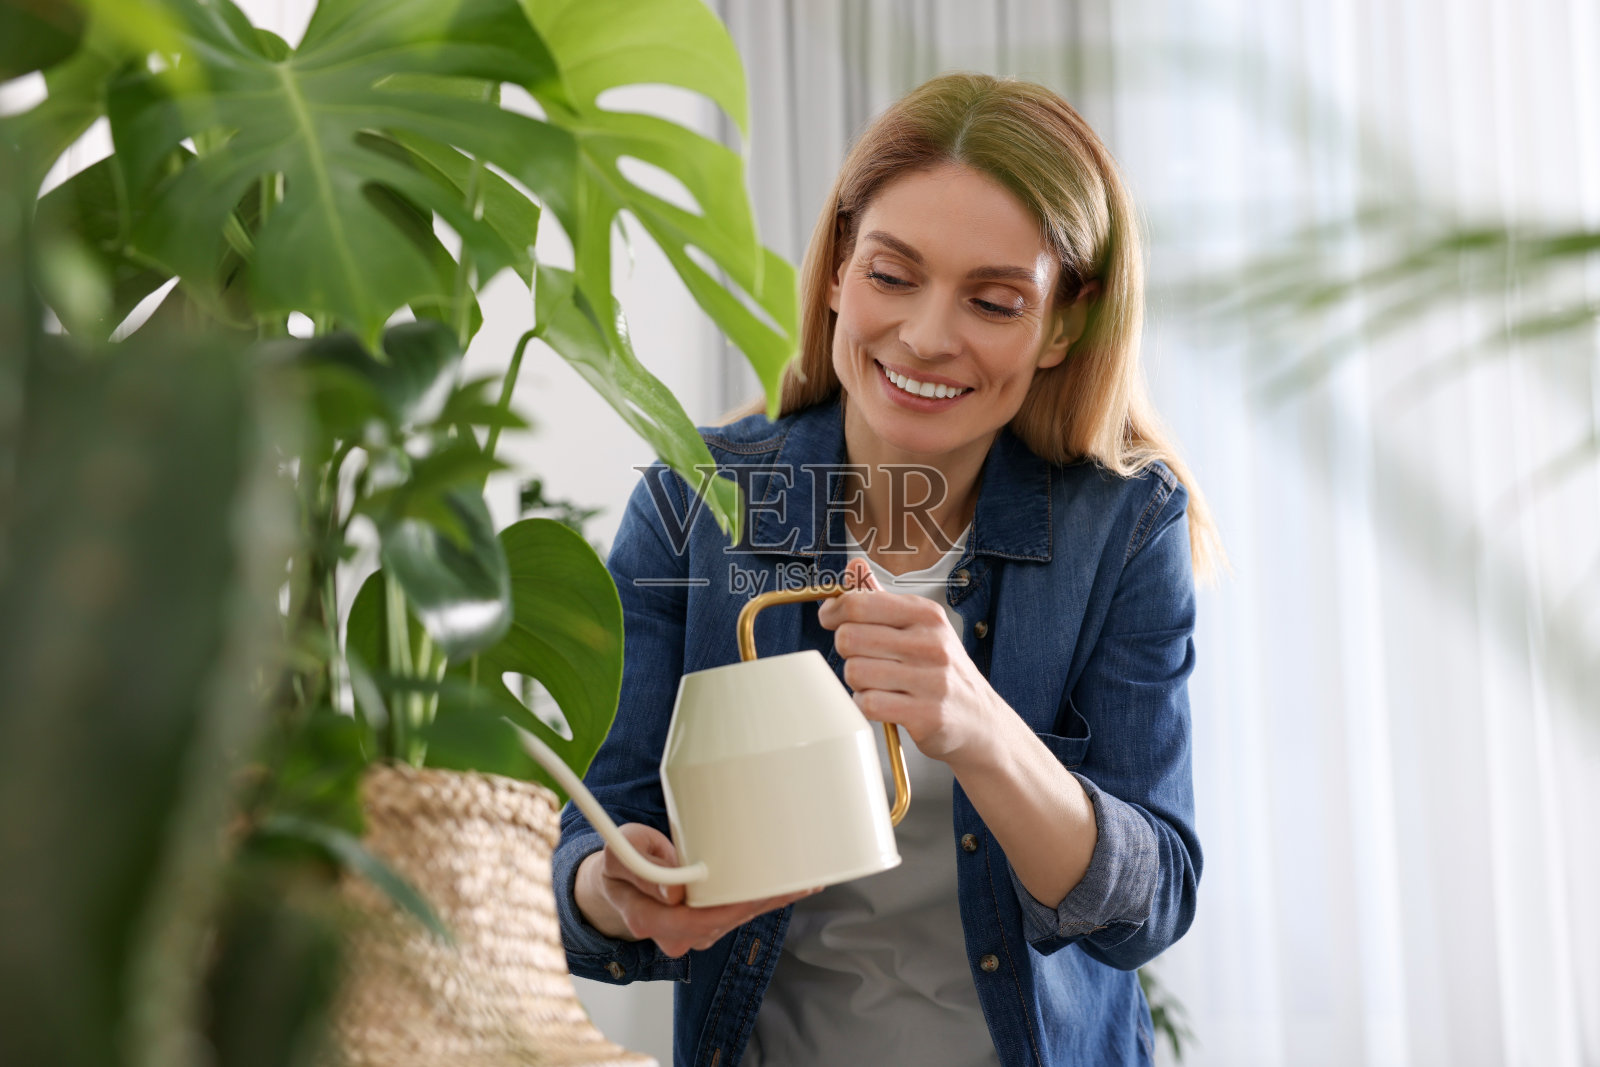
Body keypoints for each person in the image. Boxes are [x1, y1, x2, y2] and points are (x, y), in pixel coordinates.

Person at [552, 72, 1222, 1067]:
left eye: (992, 301)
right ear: (836, 270)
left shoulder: (1122, 526)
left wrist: (979, 725)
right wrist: (616, 887)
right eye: (892, 276)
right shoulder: (694, 504)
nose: (926, 337)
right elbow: (590, 844)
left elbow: (1150, 902)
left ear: (1064, 323)